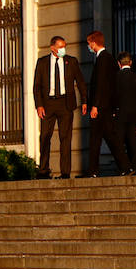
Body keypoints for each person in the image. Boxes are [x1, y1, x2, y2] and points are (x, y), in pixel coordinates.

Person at [32, 35, 87, 179]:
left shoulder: (71, 61)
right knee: (45, 137)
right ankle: (43, 170)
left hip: (66, 104)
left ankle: (65, 172)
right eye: (60, 47)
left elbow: (81, 82)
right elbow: (36, 86)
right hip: (48, 104)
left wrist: (84, 101)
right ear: (53, 48)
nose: (63, 49)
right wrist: (39, 105)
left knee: (65, 138)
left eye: (64, 46)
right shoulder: (42, 62)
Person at [83, 31, 131, 176]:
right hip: (107, 107)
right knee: (111, 138)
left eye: (89, 43)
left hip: (101, 107)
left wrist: (95, 106)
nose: (88, 46)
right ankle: (125, 166)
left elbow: (102, 84)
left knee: (95, 139)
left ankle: (93, 171)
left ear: (93, 42)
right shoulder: (107, 58)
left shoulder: (103, 59)